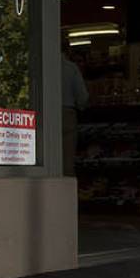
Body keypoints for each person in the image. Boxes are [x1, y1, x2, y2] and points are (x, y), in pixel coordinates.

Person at [61, 40, 88, 176]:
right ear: (68, 51)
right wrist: (81, 107)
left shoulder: (43, 67)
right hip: (67, 113)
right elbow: (83, 97)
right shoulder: (71, 68)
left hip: (46, 115)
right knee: (67, 162)